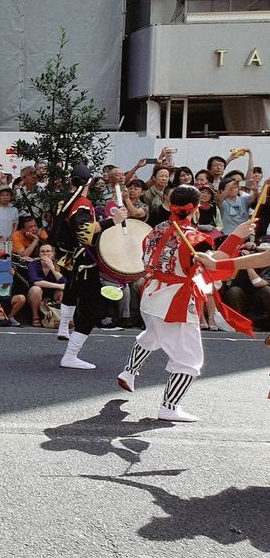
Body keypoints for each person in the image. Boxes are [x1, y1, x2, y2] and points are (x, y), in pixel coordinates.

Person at [116, 186, 270, 422]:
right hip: (175, 299)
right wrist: (237, 235)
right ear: (196, 208)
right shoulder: (194, 238)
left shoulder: (156, 229)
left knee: (152, 335)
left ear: (170, 204)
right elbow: (215, 262)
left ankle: (129, 371)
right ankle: (169, 406)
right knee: (189, 359)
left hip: (152, 294)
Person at [53, 165, 128, 369]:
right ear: (89, 183)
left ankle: (63, 327)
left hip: (70, 257)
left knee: (71, 290)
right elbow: (85, 232)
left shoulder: (66, 200)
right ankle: (70, 356)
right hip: (84, 260)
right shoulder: (82, 203)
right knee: (91, 310)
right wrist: (113, 221)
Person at [27, 243, 66, 328]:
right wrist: (58, 286)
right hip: (36, 295)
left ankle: (59, 317)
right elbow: (36, 281)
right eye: (42, 252)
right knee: (36, 289)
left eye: (48, 251)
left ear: (52, 253)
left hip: (53, 294)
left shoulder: (58, 265)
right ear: (39, 254)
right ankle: (35, 317)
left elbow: (63, 281)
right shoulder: (33, 264)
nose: (45, 254)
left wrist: (52, 267)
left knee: (62, 292)